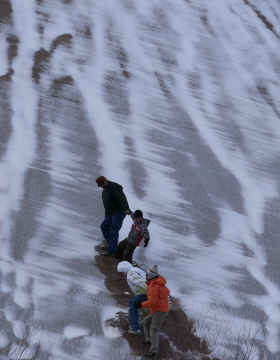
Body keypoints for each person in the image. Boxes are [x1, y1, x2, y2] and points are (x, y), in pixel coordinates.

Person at [96, 176, 131, 256]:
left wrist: (126, 209)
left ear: (104, 181)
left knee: (113, 231)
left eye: (101, 185)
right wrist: (107, 215)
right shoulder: (105, 189)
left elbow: (122, 199)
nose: (101, 187)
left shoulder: (114, 188)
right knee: (104, 226)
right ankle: (111, 245)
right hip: (110, 213)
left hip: (118, 212)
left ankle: (112, 251)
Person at [140, 265, 170, 358]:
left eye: (147, 274)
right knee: (145, 322)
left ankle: (154, 351)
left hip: (160, 311)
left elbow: (153, 302)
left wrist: (141, 305)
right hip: (158, 310)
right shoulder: (155, 284)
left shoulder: (155, 286)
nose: (146, 276)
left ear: (151, 276)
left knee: (154, 329)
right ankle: (148, 339)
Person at [117, 261, 148, 335]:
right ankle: (140, 315)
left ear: (124, 270)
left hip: (149, 293)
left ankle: (135, 328)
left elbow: (142, 283)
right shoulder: (135, 269)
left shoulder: (131, 274)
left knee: (133, 303)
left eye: (121, 273)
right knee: (135, 302)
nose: (122, 275)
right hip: (148, 292)